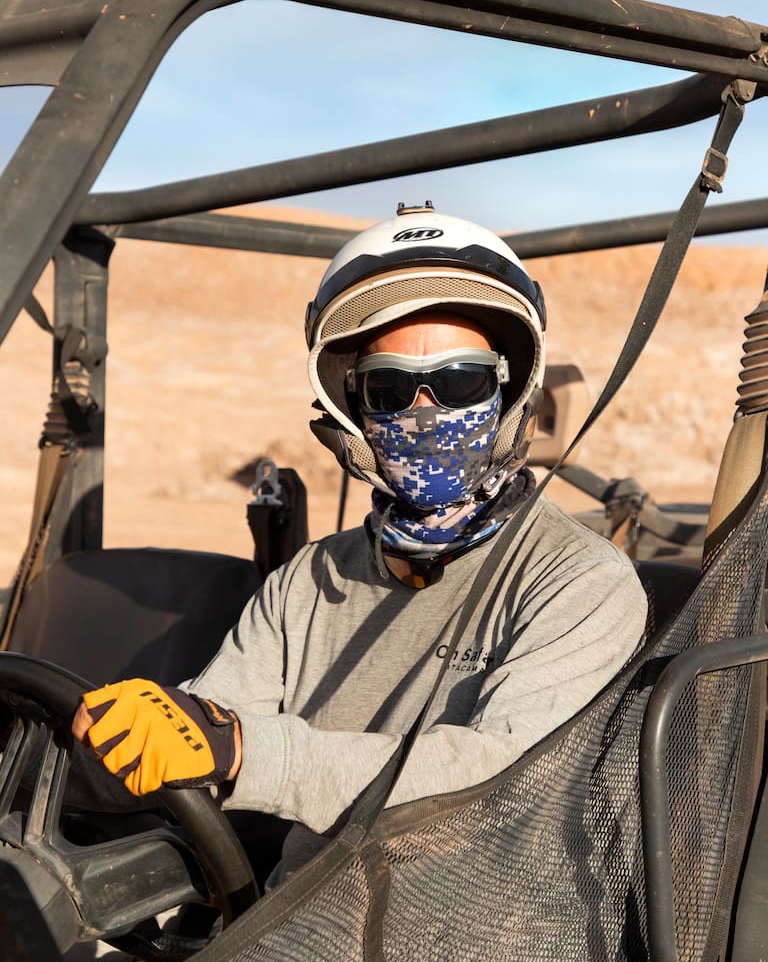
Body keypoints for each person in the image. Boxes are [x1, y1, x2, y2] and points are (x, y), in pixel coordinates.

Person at [72, 201, 647, 886]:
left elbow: (494, 779)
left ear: (511, 390)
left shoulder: (580, 581)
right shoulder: (307, 580)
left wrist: (245, 752)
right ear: (353, 410)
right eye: (391, 387)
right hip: (295, 926)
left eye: (461, 380)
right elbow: (213, 731)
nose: (425, 411)